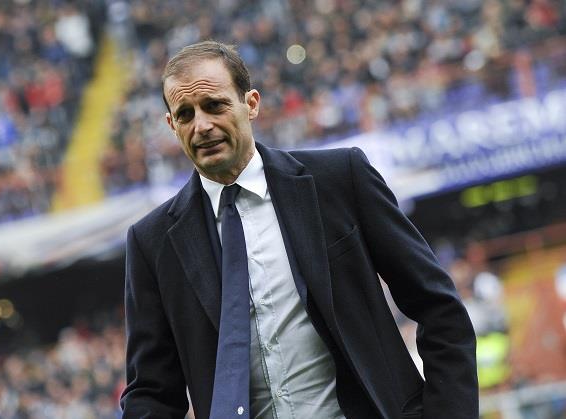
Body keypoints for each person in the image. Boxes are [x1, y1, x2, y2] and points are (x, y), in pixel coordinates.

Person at [120, 41, 477, 419]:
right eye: (185, 114)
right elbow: (152, 392)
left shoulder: (340, 179)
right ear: (172, 125)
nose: (202, 125)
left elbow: (438, 307)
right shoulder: (151, 243)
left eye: (214, 105)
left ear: (251, 104)